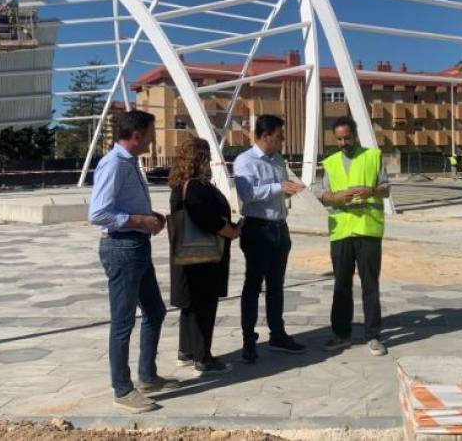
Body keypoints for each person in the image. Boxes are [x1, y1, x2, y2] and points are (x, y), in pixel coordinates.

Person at [88, 110, 178, 413]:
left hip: (137, 245)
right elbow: (98, 214)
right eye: (151, 133)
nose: (153, 140)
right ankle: (122, 389)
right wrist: (140, 219)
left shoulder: (130, 163)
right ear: (137, 135)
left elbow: (124, 205)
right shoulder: (113, 164)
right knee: (123, 321)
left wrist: (151, 218)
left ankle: (148, 376)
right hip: (122, 248)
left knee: (155, 310)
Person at [233, 114, 306, 363]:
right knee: (253, 285)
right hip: (257, 229)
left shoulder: (277, 160)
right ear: (265, 136)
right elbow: (247, 194)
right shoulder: (245, 161)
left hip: (279, 228)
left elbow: (279, 192)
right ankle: (248, 339)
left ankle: (278, 334)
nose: (282, 141)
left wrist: (290, 192)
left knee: (276, 286)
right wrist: (278, 188)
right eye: (278, 137)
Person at [316, 116, 391, 356]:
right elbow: (322, 194)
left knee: (370, 284)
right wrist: (335, 198)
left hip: (368, 229)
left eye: (347, 137)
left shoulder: (373, 157)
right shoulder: (330, 162)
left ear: (355, 135)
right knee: (341, 285)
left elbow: (386, 188)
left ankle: (373, 335)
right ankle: (341, 334)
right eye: (339, 139)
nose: (343, 142)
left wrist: (371, 191)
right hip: (341, 231)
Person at [168, 136, 239, 375]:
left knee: (190, 305)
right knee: (204, 305)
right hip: (204, 257)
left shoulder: (179, 186)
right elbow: (204, 217)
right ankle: (203, 356)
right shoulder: (197, 187)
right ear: (201, 158)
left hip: (186, 255)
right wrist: (230, 230)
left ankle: (186, 351)